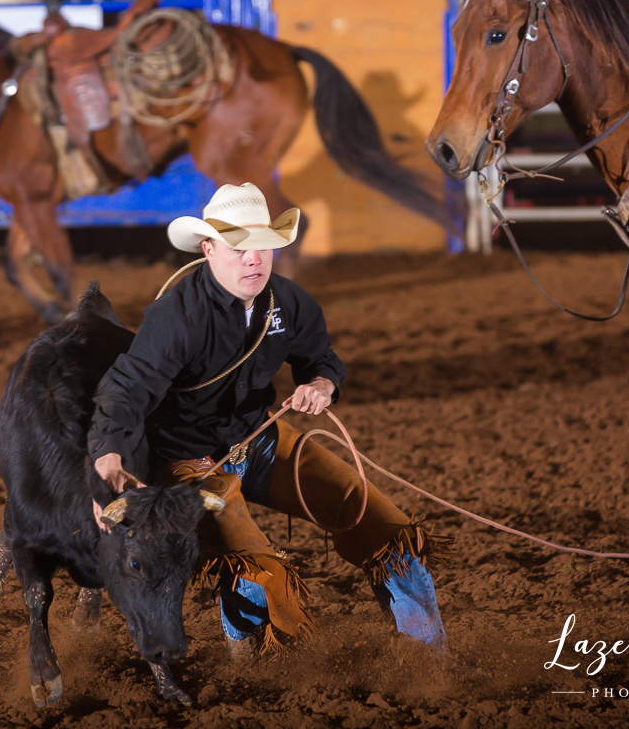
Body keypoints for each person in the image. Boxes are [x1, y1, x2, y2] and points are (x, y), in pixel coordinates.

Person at [87, 182, 445, 656]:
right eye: (240, 247)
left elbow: (320, 359)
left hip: (258, 439)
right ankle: (270, 673)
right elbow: (127, 387)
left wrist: (321, 385)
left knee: (384, 528)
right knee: (259, 569)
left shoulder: (289, 303)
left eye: (264, 247)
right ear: (209, 249)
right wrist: (109, 450)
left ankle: (427, 657)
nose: (254, 259)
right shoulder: (176, 316)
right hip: (188, 461)